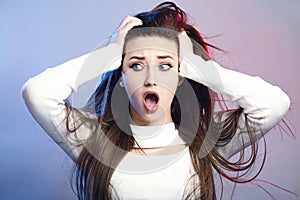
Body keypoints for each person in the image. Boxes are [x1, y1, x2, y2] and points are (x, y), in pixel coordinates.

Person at [21, 2, 291, 200]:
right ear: (121, 75)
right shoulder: (93, 137)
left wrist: (199, 66)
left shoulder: (204, 139)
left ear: (181, 74)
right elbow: (37, 92)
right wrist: (110, 54)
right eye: (136, 66)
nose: (150, 79)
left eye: (165, 66)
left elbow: (272, 104)